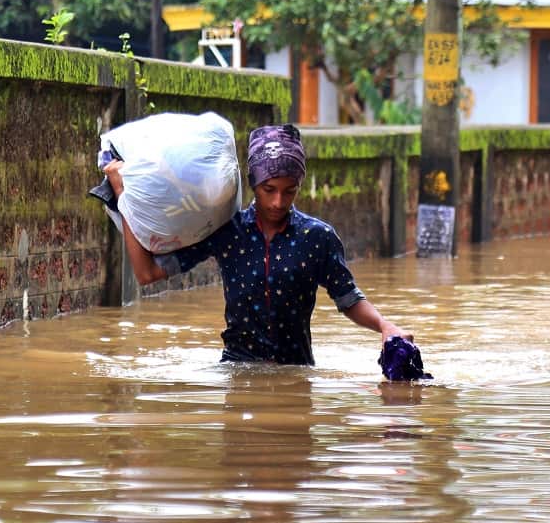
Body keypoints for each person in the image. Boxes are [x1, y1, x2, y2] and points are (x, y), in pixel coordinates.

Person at [102, 122, 412, 365]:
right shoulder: (226, 231)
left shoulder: (317, 238)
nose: (278, 201)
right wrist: (124, 196)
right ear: (252, 183)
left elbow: (349, 300)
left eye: (289, 191)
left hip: (296, 374)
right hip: (237, 369)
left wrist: (385, 326)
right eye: (269, 189)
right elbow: (147, 273)